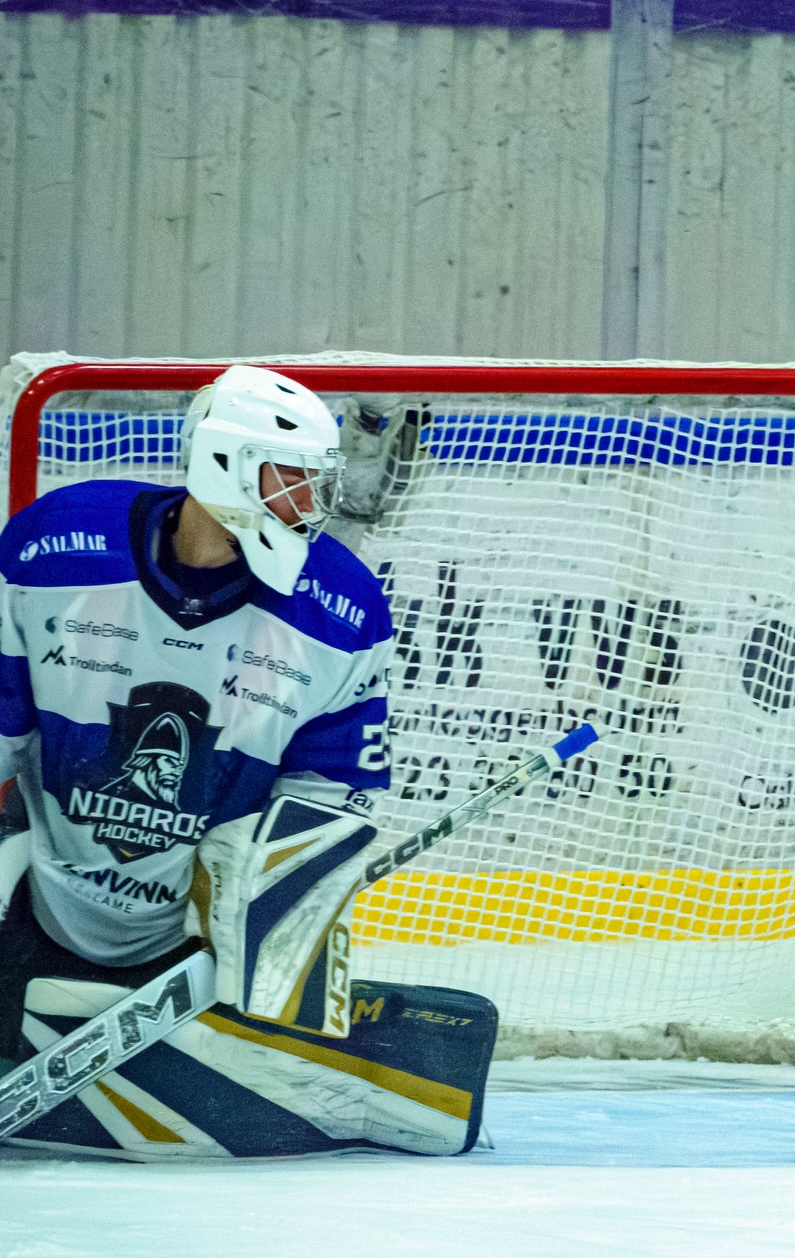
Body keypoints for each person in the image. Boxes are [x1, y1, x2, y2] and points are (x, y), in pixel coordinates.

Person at [0, 365, 496, 1157]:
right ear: (223, 465)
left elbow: (327, 804)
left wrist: (268, 908)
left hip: (197, 934)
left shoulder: (341, 606)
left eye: (317, 484)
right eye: (292, 480)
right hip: (42, 893)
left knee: (285, 885)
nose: (313, 504)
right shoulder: (58, 547)